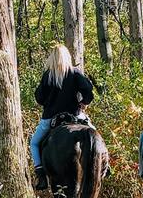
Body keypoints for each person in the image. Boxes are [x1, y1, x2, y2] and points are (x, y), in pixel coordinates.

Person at [30, 43, 95, 190]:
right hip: (75, 116)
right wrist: (83, 102)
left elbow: (39, 98)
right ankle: (105, 164)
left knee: (33, 143)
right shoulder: (75, 73)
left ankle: (41, 176)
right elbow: (89, 92)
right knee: (95, 134)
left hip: (51, 119)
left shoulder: (48, 75)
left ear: (52, 58)